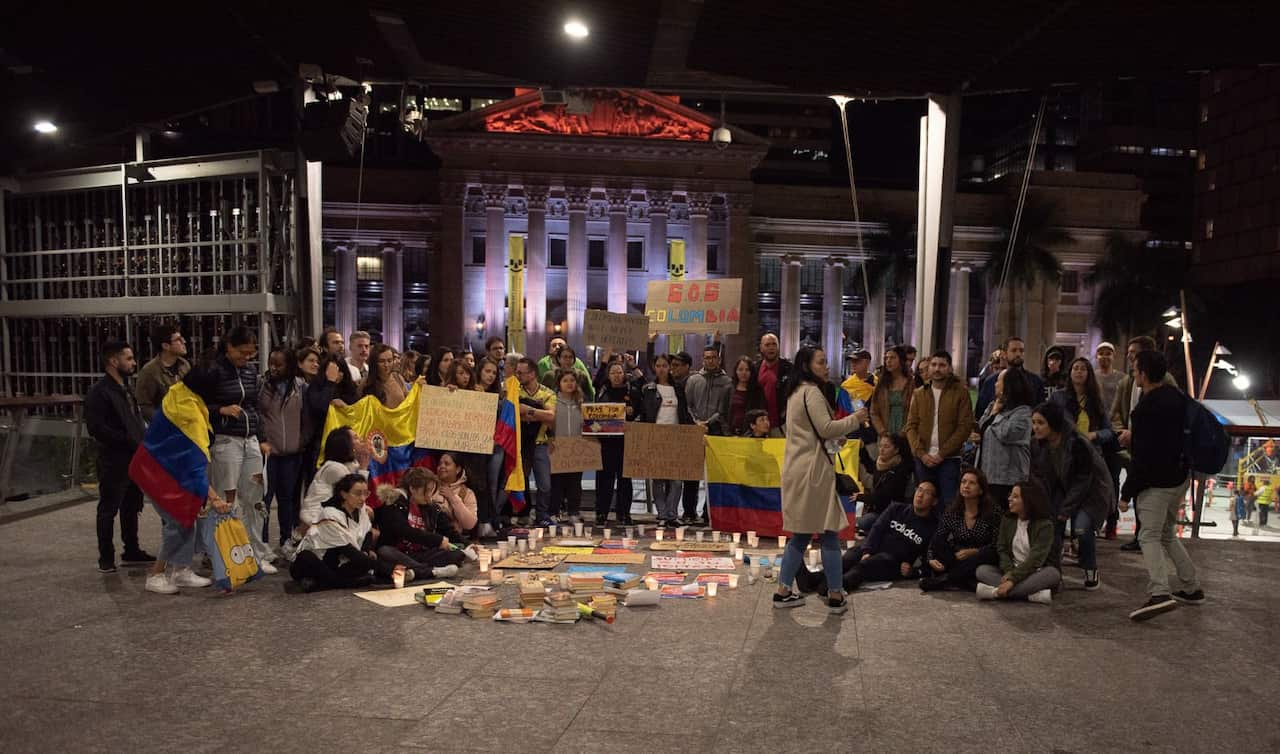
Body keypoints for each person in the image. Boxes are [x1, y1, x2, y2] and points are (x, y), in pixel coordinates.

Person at [771, 345, 868, 615]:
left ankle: (783, 591)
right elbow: (826, 428)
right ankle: (836, 594)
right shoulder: (811, 392)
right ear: (807, 366)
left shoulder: (795, 393)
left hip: (800, 470)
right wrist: (855, 419)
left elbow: (816, 433)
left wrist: (835, 436)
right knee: (828, 533)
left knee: (801, 534)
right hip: (813, 472)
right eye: (821, 362)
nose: (827, 367)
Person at [183, 327, 278, 573]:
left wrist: (262, 437)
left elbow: (254, 405)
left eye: (250, 353)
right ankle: (220, 552)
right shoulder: (213, 370)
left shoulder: (249, 371)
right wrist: (220, 410)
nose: (246, 358)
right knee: (228, 499)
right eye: (242, 352)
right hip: (225, 440)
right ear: (229, 347)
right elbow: (194, 403)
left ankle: (254, 552)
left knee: (255, 498)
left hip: (250, 440)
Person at [1121, 350, 1204, 621]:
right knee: (1167, 533)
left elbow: (1143, 457)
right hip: (1179, 477)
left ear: (1143, 374)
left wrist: (1126, 493)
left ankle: (1160, 592)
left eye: (1135, 371)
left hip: (1156, 483)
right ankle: (1191, 588)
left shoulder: (1145, 409)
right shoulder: (1178, 398)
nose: (1134, 375)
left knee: (1148, 535)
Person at [795, 481, 941, 595]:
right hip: (873, 549)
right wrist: (867, 551)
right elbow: (877, 529)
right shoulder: (897, 508)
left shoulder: (932, 528)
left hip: (892, 561)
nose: (920, 495)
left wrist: (913, 572)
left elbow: (929, 560)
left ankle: (833, 586)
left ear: (934, 501)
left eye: (927, 493)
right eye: (919, 490)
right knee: (849, 558)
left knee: (864, 567)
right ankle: (814, 580)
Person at [1030, 400, 1113, 591]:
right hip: (1062, 488)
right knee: (1053, 527)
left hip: (1092, 491)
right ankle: (1054, 576)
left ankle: (1090, 569)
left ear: (1053, 423)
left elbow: (1083, 480)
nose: (1035, 427)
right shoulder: (1037, 444)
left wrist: (1066, 509)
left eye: (1040, 423)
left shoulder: (1077, 443)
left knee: (1082, 529)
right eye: (1034, 422)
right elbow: (1040, 475)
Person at [85, 339, 153, 573]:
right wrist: (126, 440)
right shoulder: (99, 392)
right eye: (129, 359)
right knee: (109, 508)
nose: (133, 363)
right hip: (114, 459)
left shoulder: (125, 388)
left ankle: (131, 550)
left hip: (134, 457)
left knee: (132, 504)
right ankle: (106, 557)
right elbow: (96, 428)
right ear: (114, 361)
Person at [1110, 335, 1178, 551]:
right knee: (1139, 493)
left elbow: (1166, 424)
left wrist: (1137, 433)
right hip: (1131, 446)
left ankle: (1145, 538)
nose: (1130, 357)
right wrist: (1124, 431)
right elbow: (1115, 413)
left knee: (1156, 523)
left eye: (1134, 353)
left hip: (1155, 455)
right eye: (1129, 352)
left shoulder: (1164, 385)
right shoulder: (1127, 382)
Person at [1053, 356, 1124, 532]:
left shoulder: (1096, 400)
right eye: (1075, 368)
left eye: (1083, 369)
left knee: (1083, 504)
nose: (1078, 372)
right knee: (1060, 502)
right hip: (1064, 456)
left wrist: (1095, 435)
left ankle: (1081, 541)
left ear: (1089, 374)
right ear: (1069, 373)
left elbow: (1109, 431)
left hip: (1090, 457)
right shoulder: (1058, 397)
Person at [289, 474, 393, 592]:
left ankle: (321, 583)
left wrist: (366, 550)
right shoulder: (330, 514)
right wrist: (390, 570)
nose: (363, 498)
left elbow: (367, 532)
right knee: (306, 557)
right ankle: (347, 583)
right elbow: (349, 552)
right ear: (343, 494)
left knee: (362, 562)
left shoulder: (360, 509)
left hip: (337, 562)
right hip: (315, 561)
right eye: (358, 493)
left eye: (366, 493)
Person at [904, 350, 975, 505]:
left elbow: (964, 427)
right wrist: (921, 454)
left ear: (949, 368)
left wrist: (942, 454)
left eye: (942, 365)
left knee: (948, 503)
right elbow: (910, 426)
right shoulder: (919, 393)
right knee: (923, 504)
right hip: (923, 459)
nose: (937, 369)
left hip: (949, 459)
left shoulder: (961, 393)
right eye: (934, 365)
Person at [975, 479, 1061, 604]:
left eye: (1015, 497)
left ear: (1028, 500)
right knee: (982, 570)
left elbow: (1036, 559)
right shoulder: (1007, 519)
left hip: (1035, 572)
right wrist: (1009, 572)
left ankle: (994, 593)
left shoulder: (1045, 525)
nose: (1009, 499)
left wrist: (1012, 579)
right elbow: (1002, 548)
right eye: (1010, 495)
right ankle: (1031, 596)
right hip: (1011, 569)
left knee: (1053, 574)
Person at [257, 345, 308, 549]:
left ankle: (286, 540)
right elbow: (258, 415)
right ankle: (263, 544)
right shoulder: (262, 385)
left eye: (279, 364)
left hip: (292, 453)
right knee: (265, 500)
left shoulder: (300, 386)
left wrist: (301, 442)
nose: (274, 368)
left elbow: (306, 418)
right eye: (271, 363)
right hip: (269, 453)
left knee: (287, 499)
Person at [374, 468, 466, 578]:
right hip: (399, 553)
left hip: (420, 553)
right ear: (413, 488)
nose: (429, 496)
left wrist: (469, 546)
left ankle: (415, 572)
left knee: (457, 554)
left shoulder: (430, 506)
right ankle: (431, 571)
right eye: (427, 491)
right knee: (385, 552)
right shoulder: (395, 503)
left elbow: (448, 530)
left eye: (432, 491)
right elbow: (403, 530)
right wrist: (436, 540)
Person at [921, 467, 1001, 591]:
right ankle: (964, 581)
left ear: (980, 490)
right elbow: (937, 539)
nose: (966, 486)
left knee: (985, 555)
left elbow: (997, 545)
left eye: (972, 483)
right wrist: (931, 558)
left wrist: (974, 551)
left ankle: (946, 580)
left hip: (981, 555)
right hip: (957, 556)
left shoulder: (993, 512)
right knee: (939, 544)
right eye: (963, 482)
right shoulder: (952, 511)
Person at [293, 426, 370, 553]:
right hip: (317, 520)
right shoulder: (335, 468)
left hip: (331, 515)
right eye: (355, 438)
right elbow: (357, 492)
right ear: (345, 445)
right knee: (367, 521)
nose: (360, 440)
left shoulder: (346, 465)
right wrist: (364, 467)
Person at [638, 353, 689, 528]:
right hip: (656, 437)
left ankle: (672, 514)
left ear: (670, 367)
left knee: (676, 479)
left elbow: (684, 412)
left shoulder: (679, 389)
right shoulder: (649, 389)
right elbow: (644, 413)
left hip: (675, 437)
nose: (661, 368)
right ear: (654, 367)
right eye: (658, 365)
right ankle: (661, 514)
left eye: (664, 365)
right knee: (658, 478)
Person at [977, 366, 1035, 511]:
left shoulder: (1023, 412)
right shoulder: (993, 405)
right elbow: (981, 427)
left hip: (1009, 480)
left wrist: (996, 414)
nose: (995, 384)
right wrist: (994, 412)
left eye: (999, 381)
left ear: (1009, 385)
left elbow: (1007, 433)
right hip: (986, 475)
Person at [514, 357, 557, 527]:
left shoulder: (547, 393)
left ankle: (542, 515)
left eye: (520, 372)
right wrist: (539, 412)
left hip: (540, 442)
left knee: (544, 484)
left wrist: (527, 410)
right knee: (520, 480)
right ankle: (523, 514)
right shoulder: (514, 391)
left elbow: (551, 416)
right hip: (519, 444)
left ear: (532, 374)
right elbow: (513, 413)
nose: (517, 375)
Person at [596, 361, 639, 527]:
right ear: (608, 375)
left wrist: (632, 411)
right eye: (613, 372)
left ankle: (624, 513)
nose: (616, 375)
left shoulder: (632, 391)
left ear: (624, 374)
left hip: (625, 441)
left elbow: (639, 412)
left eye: (619, 372)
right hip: (606, 442)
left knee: (625, 479)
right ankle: (602, 513)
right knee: (604, 479)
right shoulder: (601, 391)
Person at [853, 433, 913, 533]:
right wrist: (862, 449)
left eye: (886, 447)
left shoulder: (900, 470)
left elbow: (883, 497)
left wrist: (862, 497)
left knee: (863, 522)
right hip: (876, 508)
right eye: (880, 446)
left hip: (890, 512)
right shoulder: (880, 462)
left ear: (896, 450)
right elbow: (870, 466)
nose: (881, 449)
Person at [547, 369, 586, 524]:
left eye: (572, 380)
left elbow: (590, 424)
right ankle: (554, 512)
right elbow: (548, 424)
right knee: (557, 482)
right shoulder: (553, 401)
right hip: (558, 446)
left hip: (577, 447)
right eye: (565, 381)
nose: (569, 383)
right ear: (559, 384)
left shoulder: (582, 402)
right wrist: (550, 440)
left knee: (575, 483)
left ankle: (573, 512)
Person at [976, 337, 1044, 419]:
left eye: (1021, 351)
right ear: (1004, 354)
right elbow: (980, 411)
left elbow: (1040, 411)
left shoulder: (1035, 381)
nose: (1018, 354)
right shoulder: (991, 382)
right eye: (1014, 350)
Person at [135, 323, 190, 422]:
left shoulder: (184, 365)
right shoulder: (149, 372)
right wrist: (164, 421)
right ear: (165, 346)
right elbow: (144, 406)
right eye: (178, 340)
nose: (184, 342)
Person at [685, 344, 733, 437]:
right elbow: (687, 404)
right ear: (702, 360)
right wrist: (697, 422)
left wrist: (708, 422)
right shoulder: (693, 380)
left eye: (714, 357)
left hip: (718, 428)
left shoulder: (727, 381)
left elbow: (724, 408)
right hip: (695, 427)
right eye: (707, 358)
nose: (710, 361)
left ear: (719, 360)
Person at [432, 452, 480, 538]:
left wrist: (452, 498)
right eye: (440, 464)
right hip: (431, 537)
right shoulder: (430, 486)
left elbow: (470, 524)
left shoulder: (467, 492)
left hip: (454, 540)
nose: (442, 466)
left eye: (447, 464)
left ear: (457, 469)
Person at [753, 333, 794, 434]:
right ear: (761, 348)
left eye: (774, 344)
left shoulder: (789, 369)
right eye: (767, 345)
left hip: (782, 425)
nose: (771, 348)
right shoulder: (754, 369)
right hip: (759, 426)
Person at [870, 346, 913, 438]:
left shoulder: (910, 383)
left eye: (892, 358)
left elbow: (915, 412)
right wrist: (882, 431)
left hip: (906, 432)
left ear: (901, 360)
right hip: (885, 432)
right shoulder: (882, 384)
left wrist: (906, 430)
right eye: (886, 358)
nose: (888, 361)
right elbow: (874, 411)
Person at [727, 355, 766, 436]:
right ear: (736, 371)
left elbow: (761, 413)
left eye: (747, 370)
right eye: (740, 370)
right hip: (731, 434)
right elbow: (723, 413)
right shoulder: (729, 389)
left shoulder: (758, 391)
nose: (743, 373)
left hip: (752, 434)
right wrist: (728, 433)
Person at [362, 343, 409, 408]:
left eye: (389, 361)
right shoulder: (366, 382)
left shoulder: (397, 377)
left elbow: (408, 400)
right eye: (381, 361)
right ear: (374, 362)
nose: (386, 365)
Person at [1094, 341, 1122, 418]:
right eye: (1101, 354)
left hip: (1116, 422)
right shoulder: (1091, 377)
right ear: (1096, 356)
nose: (1104, 356)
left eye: (1108, 354)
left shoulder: (1123, 378)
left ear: (1114, 356)